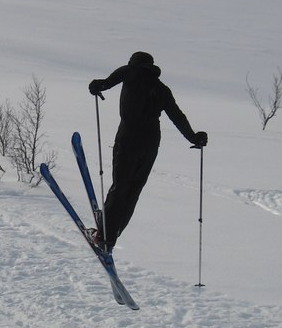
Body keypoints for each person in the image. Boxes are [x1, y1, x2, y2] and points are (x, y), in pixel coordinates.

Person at [88, 52, 207, 252]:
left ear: (134, 63)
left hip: (129, 139)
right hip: (151, 143)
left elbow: (113, 78)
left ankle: (103, 236)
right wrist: (195, 137)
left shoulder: (132, 72)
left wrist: (99, 85)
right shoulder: (161, 89)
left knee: (120, 186)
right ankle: (113, 231)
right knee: (134, 190)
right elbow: (177, 116)